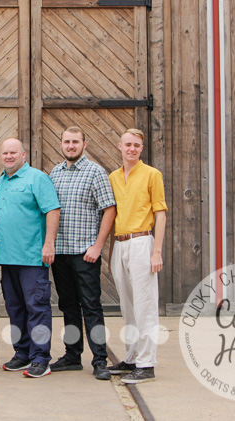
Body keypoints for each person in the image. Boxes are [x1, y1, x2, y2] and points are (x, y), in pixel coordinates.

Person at [48, 127, 116, 380]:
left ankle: (100, 360)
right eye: (66, 141)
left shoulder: (96, 172)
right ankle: (72, 355)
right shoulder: (55, 172)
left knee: (91, 307)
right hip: (61, 252)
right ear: (61, 144)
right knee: (68, 306)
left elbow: (109, 209)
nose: (71, 146)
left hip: (85, 253)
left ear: (84, 144)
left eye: (75, 142)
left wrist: (98, 246)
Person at [0, 138, 60, 378]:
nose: (9, 156)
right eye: (5, 153)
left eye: (13, 152)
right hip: (7, 258)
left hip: (32, 258)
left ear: (23, 154)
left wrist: (49, 243)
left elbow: (52, 209)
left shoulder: (37, 178)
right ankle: (22, 353)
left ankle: (41, 358)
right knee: (15, 308)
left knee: (37, 308)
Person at [106, 128, 167, 384]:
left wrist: (157, 251)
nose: (132, 149)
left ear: (141, 149)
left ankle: (146, 363)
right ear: (120, 146)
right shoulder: (113, 177)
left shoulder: (152, 174)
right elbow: (113, 216)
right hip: (120, 244)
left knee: (145, 305)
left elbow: (160, 212)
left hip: (142, 241)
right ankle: (131, 358)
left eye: (137, 145)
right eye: (128, 144)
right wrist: (111, 254)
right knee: (127, 306)